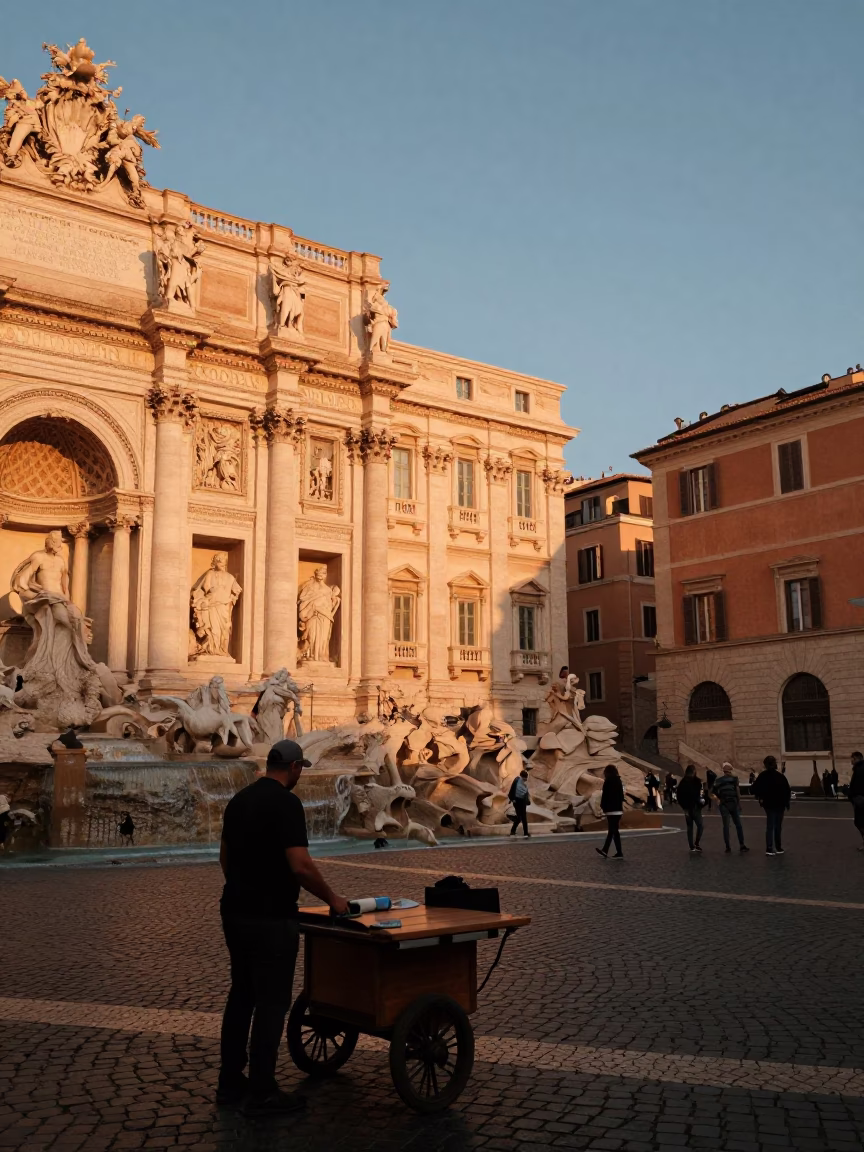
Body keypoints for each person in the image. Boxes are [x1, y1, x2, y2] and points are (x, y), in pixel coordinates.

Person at [218, 739, 350, 1113]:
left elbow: (224, 857)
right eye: (300, 770)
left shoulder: (239, 800)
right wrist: (333, 899)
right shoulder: (287, 803)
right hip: (272, 917)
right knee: (273, 1003)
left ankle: (230, 1083)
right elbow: (301, 865)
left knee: (241, 996)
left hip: (235, 911)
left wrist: (244, 887)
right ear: (295, 768)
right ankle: (262, 1091)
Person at [752, 755, 791, 856]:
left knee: (770, 826)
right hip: (780, 804)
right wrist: (787, 803)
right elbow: (787, 791)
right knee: (778, 826)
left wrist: (761, 797)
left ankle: (769, 848)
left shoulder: (762, 776)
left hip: (768, 804)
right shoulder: (780, 777)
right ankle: (778, 847)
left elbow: (754, 789)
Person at [712, 762, 749, 854]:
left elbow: (713, 792)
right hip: (733, 803)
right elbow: (737, 792)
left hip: (724, 804)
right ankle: (742, 845)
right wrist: (739, 804)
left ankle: (728, 847)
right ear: (730, 770)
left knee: (726, 826)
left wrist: (717, 800)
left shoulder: (718, 780)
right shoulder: (734, 779)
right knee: (738, 825)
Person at [596, 764, 625, 859]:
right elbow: (621, 796)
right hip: (618, 809)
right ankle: (619, 852)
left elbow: (605, 795)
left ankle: (605, 850)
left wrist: (603, 806)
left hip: (611, 810)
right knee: (615, 831)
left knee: (612, 830)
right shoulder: (619, 781)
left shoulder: (608, 781)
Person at [677, 765, 704, 853]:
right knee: (700, 826)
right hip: (695, 807)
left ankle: (692, 846)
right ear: (693, 772)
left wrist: (684, 808)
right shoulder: (697, 782)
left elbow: (679, 797)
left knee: (690, 828)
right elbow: (699, 795)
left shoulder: (682, 782)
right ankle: (696, 843)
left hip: (687, 808)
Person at [508, 770, 531, 838]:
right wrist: (512, 799)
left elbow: (526, 792)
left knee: (522, 817)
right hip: (517, 801)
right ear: (523, 777)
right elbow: (512, 789)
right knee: (521, 817)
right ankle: (522, 833)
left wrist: (527, 800)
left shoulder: (524, 784)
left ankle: (522, 832)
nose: (526, 779)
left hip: (522, 801)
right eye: (525, 778)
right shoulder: (516, 780)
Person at [848, 753, 864, 849]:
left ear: (856, 758)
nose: (851, 761)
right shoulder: (859, 768)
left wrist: (849, 792)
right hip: (859, 799)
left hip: (860, 799)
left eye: (852, 759)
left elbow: (858, 786)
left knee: (859, 822)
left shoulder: (860, 769)